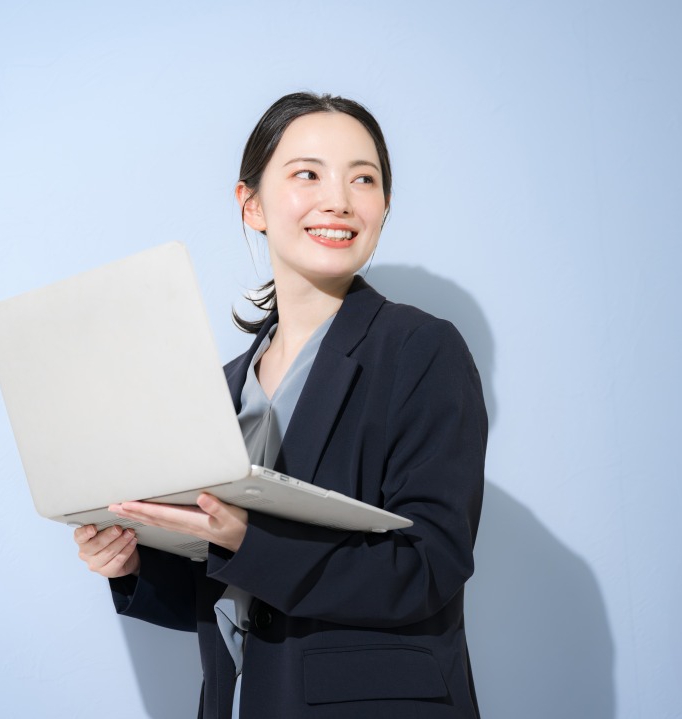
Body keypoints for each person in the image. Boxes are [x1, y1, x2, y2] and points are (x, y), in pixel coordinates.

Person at [72, 92, 488, 719]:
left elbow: (429, 567)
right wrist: (131, 565)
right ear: (253, 204)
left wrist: (248, 540)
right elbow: (239, 598)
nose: (339, 200)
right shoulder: (223, 388)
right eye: (307, 174)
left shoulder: (421, 349)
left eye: (363, 179)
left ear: (384, 204)